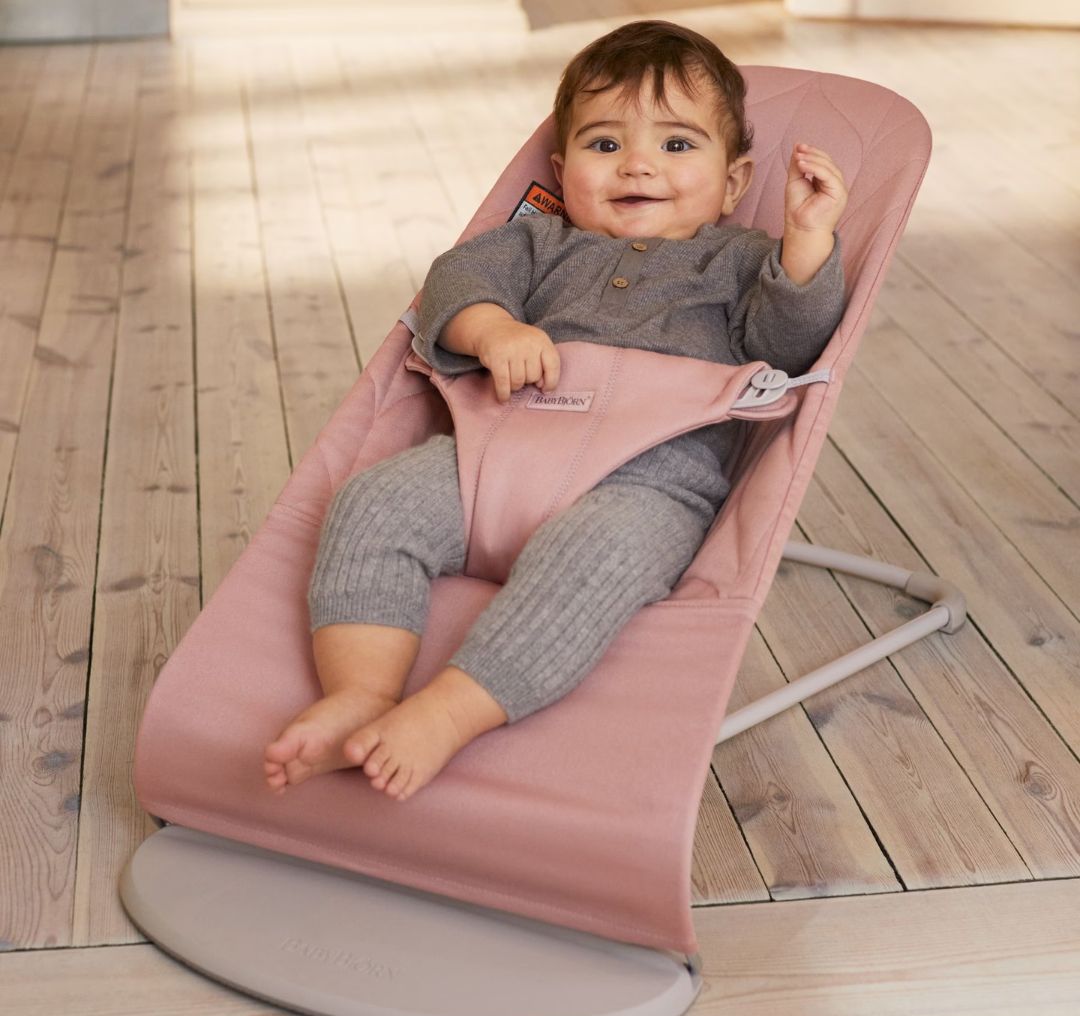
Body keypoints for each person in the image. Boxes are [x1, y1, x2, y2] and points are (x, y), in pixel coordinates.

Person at [263, 19, 848, 802]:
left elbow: (791, 344)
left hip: (648, 483)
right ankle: (361, 692)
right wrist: (494, 327)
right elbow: (452, 285)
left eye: (677, 147)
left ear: (735, 182)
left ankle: (450, 710)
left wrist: (808, 240)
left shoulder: (742, 261)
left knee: (594, 563)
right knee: (373, 504)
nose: (638, 164)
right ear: (561, 166)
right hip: (491, 455)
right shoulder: (540, 241)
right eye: (605, 146)